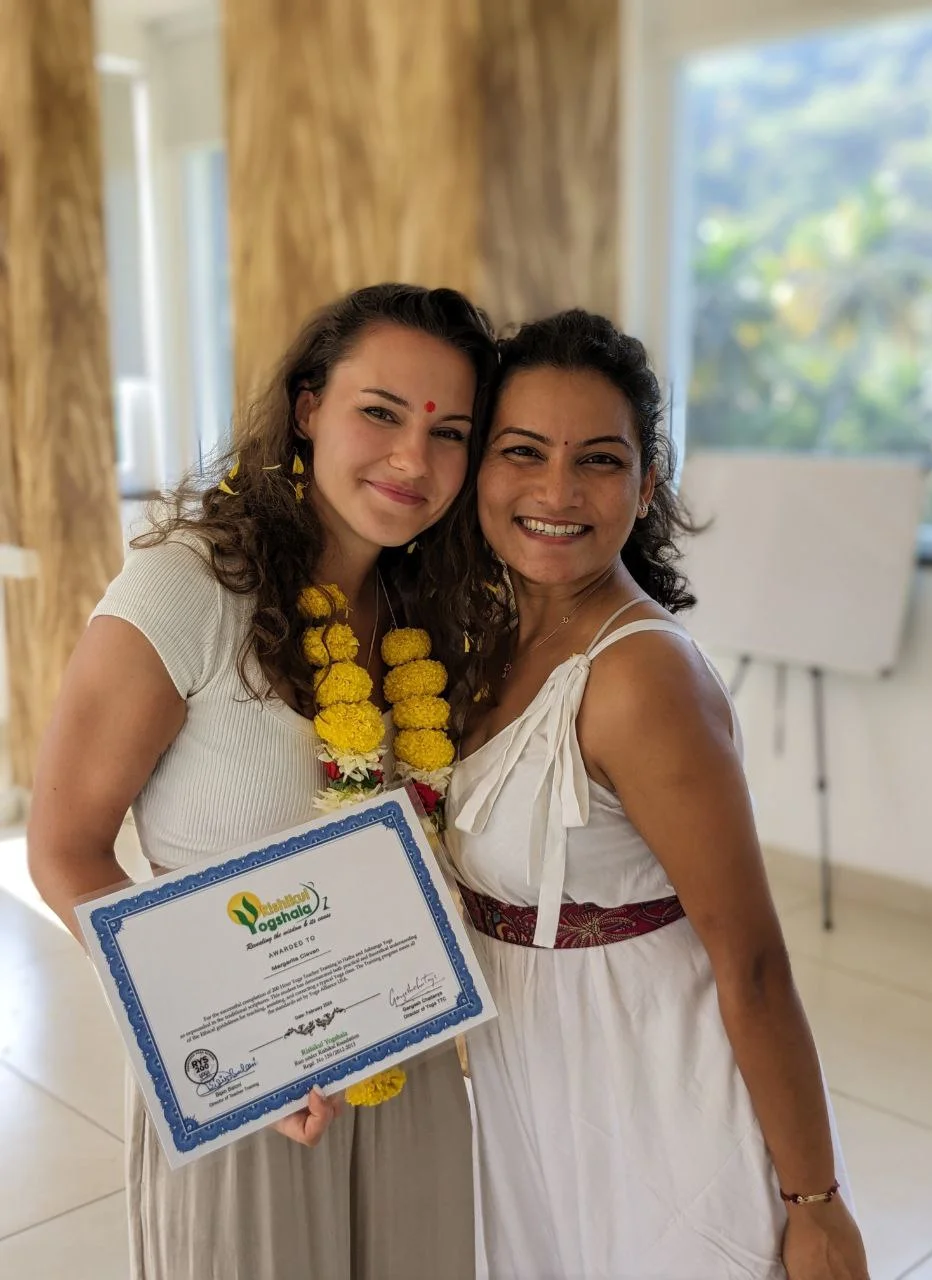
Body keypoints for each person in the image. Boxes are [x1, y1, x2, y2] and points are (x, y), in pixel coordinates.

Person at [28, 283, 498, 1280]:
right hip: (246, 1079)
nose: (414, 459)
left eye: (449, 429)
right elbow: (62, 845)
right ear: (308, 408)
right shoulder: (189, 586)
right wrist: (220, 1039)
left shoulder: (434, 605)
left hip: (407, 1052)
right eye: (380, 411)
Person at [444, 309, 871, 1279]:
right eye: (522, 451)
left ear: (645, 485)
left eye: (598, 459)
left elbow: (753, 961)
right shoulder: (490, 639)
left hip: (651, 1090)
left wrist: (816, 1204)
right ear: (479, 469)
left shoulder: (644, 677)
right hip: (533, 1085)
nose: (557, 490)